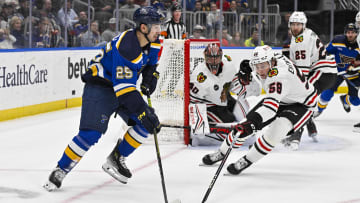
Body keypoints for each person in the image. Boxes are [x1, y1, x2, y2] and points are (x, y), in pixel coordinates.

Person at [43, 6, 164, 191]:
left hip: (122, 88)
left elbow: (151, 64)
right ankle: (61, 169)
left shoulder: (154, 41)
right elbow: (125, 91)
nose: (159, 29)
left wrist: (150, 76)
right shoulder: (127, 47)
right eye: (155, 26)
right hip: (101, 87)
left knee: (145, 125)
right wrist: (143, 110)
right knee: (91, 134)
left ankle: (116, 158)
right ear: (143, 28)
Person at [201, 45, 319, 175]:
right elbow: (257, 64)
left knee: (275, 131)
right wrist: (247, 67)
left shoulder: (279, 77)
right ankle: (221, 152)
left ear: (271, 62)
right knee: (243, 126)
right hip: (284, 97)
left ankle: (247, 160)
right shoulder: (272, 60)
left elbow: (270, 109)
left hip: (302, 104)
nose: (260, 70)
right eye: (257, 67)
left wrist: (253, 123)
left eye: (263, 66)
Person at [282, 11, 337, 150]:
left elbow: (303, 71)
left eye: (298, 25)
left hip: (323, 72)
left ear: (303, 25)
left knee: (301, 99)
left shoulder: (301, 40)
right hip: (325, 72)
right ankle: (311, 128)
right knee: (304, 98)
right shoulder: (303, 34)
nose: (295, 27)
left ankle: (295, 137)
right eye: (293, 24)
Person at [189, 43, 260, 146]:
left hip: (225, 99)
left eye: (216, 58)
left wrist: (247, 78)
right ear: (205, 57)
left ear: (221, 56)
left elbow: (253, 91)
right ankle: (207, 137)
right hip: (207, 105)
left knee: (247, 119)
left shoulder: (229, 66)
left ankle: (245, 131)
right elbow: (197, 101)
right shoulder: (199, 75)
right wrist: (199, 122)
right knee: (228, 128)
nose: (213, 61)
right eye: (210, 58)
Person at [316, 23, 360, 118]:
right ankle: (318, 110)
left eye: (353, 32)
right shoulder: (338, 40)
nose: (350, 35)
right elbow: (325, 52)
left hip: (353, 75)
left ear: (356, 34)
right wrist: (327, 58)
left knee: (355, 101)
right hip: (337, 72)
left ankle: (345, 99)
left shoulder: (359, 46)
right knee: (327, 93)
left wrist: (355, 68)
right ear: (345, 33)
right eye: (348, 32)